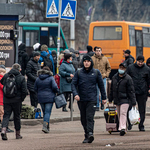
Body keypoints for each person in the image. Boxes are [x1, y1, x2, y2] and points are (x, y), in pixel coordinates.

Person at [71, 54, 106, 143]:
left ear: (91, 62)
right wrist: (75, 94)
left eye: (88, 61)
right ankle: (86, 134)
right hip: (81, 99)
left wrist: (104, 98)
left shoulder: (96, 72)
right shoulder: (79, 72)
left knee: (89, 117)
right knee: (83, 118)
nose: (86, 63)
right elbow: (73, 84)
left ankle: (90, 133)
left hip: (92, 99)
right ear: (83, 63)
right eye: (85, 61)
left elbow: (101, 86)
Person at [1, 63, 27, 140]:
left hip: (6, 99)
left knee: (6, 115)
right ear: (19, 69)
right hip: (17, 100)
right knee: (17, 116)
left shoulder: (6, 76)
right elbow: (24, 91)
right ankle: (18, 134)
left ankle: (3, 130)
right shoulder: (21, 77)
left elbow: (2, 83)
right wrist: (21, 99)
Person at [109, 62, 136, 136]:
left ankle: (122, 128)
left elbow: (131, 91)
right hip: (117, 99)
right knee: (119, 114)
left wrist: (133, 101)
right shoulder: (114, 77)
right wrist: (110, 99)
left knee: (123, 113)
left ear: (125, 69)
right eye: (120, 67)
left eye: (123, 68)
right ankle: (124, 127)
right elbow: (112, 89)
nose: (121, 69)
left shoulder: (128, 78)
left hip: (125, 99)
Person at [127, 55, 150, 131]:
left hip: (143, 92)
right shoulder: (130, 68)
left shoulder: (147, 69)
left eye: (141, 62)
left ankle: (141, 125)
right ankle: (129, 123)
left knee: (142, 109)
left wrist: (149, 89)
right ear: (136, 61)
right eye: (139, 62)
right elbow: (126, 78)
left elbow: (149, 80)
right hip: (132, 92)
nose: (140, 63)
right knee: (129, 108)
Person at [34, 66, 59, 133]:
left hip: (41, 97)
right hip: (49, 97)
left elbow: (35, 88)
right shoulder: (51, 78)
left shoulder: (38, 79)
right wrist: (57, 91)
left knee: (44, 112)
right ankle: (45, 126)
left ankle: (47, 126)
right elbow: (54, 87)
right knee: (47, 112)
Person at [92, 46, 111, 111]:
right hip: (95, 78)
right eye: (97, 51)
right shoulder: (92, 58)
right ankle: (97, 105)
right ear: (95, 51)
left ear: (101, 51)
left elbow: (108, 68)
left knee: (103, 91)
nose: (98, 52)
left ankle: (102, 104)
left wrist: (106, 75)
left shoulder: (105, 59)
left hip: (103, 78)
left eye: (99, 51)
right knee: (96, 92)